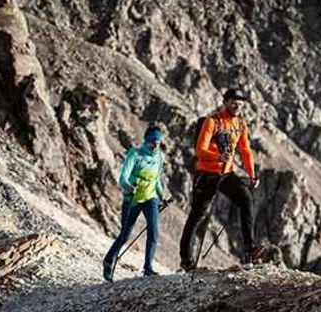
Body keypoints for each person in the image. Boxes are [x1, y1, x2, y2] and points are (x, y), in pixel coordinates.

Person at [180, 87, 262, 270]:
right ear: (225, 102)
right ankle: (186, 259)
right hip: (207, 174)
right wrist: (218, 157)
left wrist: (252, 174)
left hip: (226, 173)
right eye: (234, 102)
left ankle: (250, 250)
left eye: (240, 104)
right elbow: (200, 150)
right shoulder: (212, 122)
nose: (237, 106)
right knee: (198, 214)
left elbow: (246, 150)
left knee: (246, 199)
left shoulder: (240, 124)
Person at [102, 124, 167, 282]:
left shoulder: (159, 157)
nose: (156, 146)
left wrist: (162, 195)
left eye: (158, 143)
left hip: (150, 197)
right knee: (125, 234)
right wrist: (128, 187)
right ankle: (108, 261)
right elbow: (123, 177)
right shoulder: (135, 154)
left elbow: (157, 179)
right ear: (146, 140)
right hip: (132, 199)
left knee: (153, 231)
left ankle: (148, 268)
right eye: (153, 142)